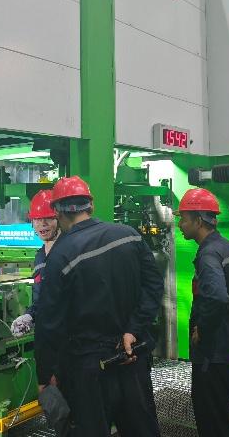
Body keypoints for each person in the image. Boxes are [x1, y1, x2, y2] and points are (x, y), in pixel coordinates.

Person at [34, 176, 164, 437]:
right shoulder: (128, 235)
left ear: (57, 212)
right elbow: (154, 286)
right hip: (132, 355)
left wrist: (45, 374)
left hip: (89, 368)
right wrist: (133, 330)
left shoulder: (60, 255)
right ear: (90, 206)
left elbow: (49, 322)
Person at [175, 188, 229, 437]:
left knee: (212, 422)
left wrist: (203, 331)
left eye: (183, 219)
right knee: (221, 414)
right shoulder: (226, 246)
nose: (179, 225)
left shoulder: (208, 255)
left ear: (198, 221)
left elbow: (217, 298)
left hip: (214, 353)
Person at [10, 189, 60, 337]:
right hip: (49, 334)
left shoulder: (70, 251)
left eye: (49, 218)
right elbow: (40, 297)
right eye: (37, 219)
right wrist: (29, 315)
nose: (42, 224)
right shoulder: (40, 257)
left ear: (59, 219)